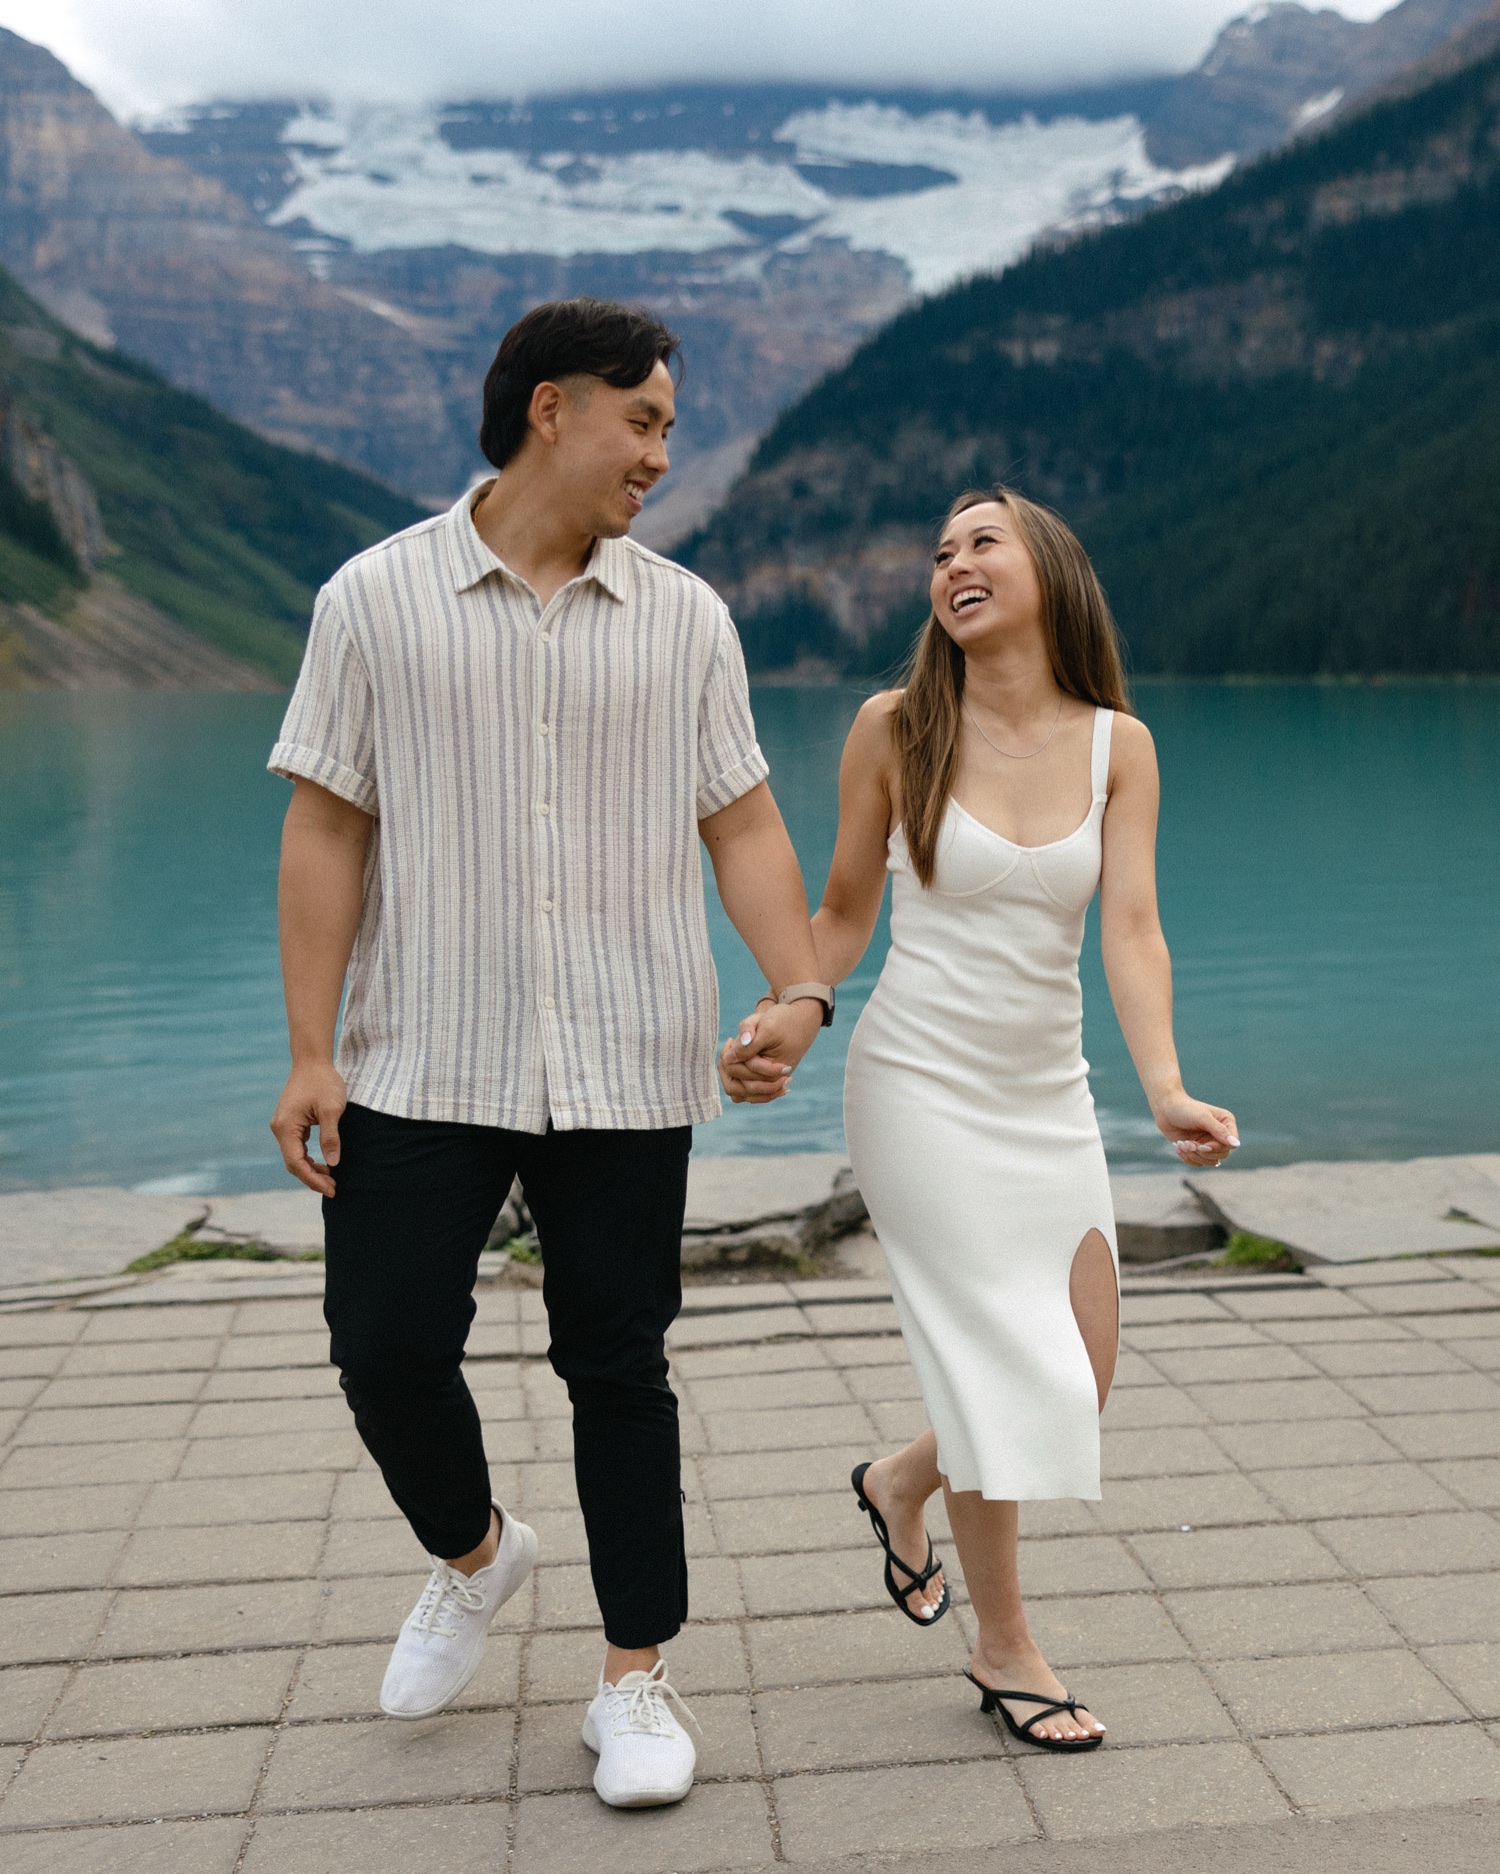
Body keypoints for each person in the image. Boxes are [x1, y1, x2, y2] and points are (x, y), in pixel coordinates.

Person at [268, 298, 833, 1809]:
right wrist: (310, 1049)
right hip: (416, 1055)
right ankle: (474, 1553)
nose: (662, 449)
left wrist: (799, 985)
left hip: (628, 1056)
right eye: (642, 419)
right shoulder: (371, 600)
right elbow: (326, 823)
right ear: (550, 411)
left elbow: (744, 819)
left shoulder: (689, 619)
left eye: (666, 424)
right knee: (382, 1344)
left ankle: (634, 1681)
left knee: (619, 1364)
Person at [722, 487, 1237, 1751]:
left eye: (981, 541)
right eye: (939, 551)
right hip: (917, 1086)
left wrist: (1164, 1084)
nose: (953, 562)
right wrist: (796, 1005)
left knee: (1082, 1368)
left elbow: (1130, 926)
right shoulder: (894, 727)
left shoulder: (1122, 744)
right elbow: (844, 912)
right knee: (1006, 1366)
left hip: (1045, 1094)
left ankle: (900, 1478)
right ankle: (1005, 1647)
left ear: (1049, 567)